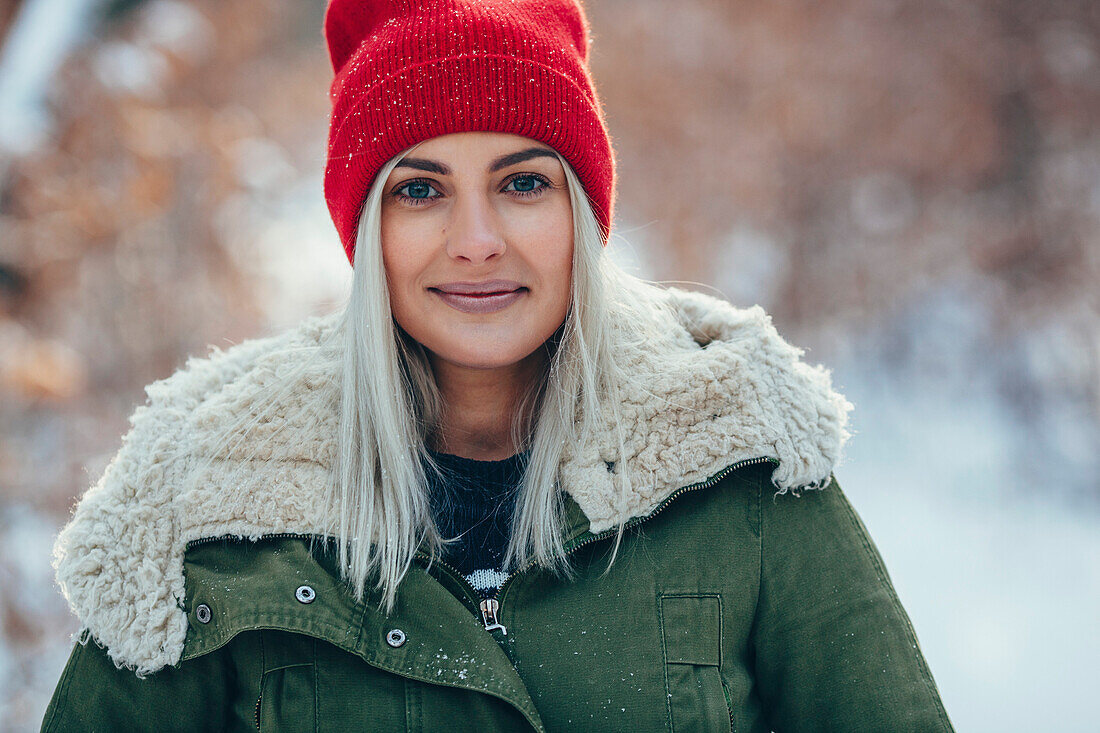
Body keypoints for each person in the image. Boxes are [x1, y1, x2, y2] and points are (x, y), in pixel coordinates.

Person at [41, 0, 955, 731]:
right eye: (421, 190)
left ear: (581, 217)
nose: (476, 242)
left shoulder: (737, 460)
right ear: (368, 234)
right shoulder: (215, 497)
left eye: (523, 182)